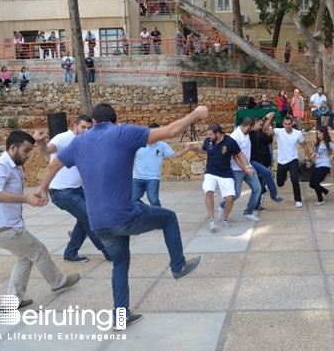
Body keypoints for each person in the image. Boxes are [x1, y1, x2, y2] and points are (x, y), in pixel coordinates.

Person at [35, 103, 208, 328]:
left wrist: (42, 189)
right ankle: (178, 266)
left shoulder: (79, 141)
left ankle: (120, 316)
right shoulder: (123, 132)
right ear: (115, 121)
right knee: (168, 218)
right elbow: (171, 132)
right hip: (124, 215)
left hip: (97, 223)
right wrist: (195, 114)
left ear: (94, 122)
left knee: (120, 263)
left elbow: (51, 166)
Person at [0, 130, 80, 309]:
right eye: (26, 151)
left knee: (25, 258)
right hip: (6, 229)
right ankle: (58, 282)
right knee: (39, 251)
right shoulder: (0, 166)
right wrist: (26, 198)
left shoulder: (10, 165)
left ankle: (12, 301)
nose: (29, 155)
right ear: (13, 147)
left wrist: (31, 196)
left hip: (1, 230)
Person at [33, 115, 111, 262]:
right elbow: (45, 152)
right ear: (75, 126)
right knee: (89, 218)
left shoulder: (88, 141)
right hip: (61, 191)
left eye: (89, 128)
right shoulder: (63, 138)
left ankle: (70, 252)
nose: (86, 130)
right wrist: (40, 143)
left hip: (76, 189)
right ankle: (109, 252)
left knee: (83, 219)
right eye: (83, 127)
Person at [190, 123, 246, 230]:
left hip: (225, 173)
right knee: (209, 191)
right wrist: (193, 148)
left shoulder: (230, 141)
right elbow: (203, 150)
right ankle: (211, 219)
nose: (208, 137)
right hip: (211, 172)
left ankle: (224, 218)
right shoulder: (208, 141)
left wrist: (247, 166)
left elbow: (240, 154)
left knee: (230, 198)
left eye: (211, 135)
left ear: (218, 133)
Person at [216, 117, 262, 223]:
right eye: (251, 127)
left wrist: (248, 167)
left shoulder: (246, 134)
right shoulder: (235, 137)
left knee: (257, 188)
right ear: (248, 126)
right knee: (236, 194)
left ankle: (248, 213)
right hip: (236, 169)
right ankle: (222, 206)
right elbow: (236, 156)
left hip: (248, 166)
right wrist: (245, 169)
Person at [133, 123, 190, 207]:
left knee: (154, 200)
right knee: (133, 200)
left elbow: (173, 155)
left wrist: (185, 150)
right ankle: (148, 211)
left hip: (153, 178)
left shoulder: (162, 145)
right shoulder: (138, 143)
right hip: (137, 177)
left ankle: (159, 217)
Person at [263, 113, 311, 208]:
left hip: (293, 159)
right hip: (282, 161)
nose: (287, 126)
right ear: (283, 123)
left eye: (289, 124)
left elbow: (304, 145)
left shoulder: (298, 134)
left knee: (294, 179)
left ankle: (298, 200)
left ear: (292, 123)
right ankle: (283, 175)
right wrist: (268, 119)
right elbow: (264, 130)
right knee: (280, 183)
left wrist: (308, 158)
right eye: (285, 124)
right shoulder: (278, 131)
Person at [249, 116, 285, 207]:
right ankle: (273, 195)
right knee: (266, 174)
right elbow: (269, 140)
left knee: (260, 184)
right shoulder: (251, 133)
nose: (261, 127)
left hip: (259, 159)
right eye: (260, 125)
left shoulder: (256, 132)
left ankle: (256, 205)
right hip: (256, 160)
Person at [306, 126, 334, 205]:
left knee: (315, 183)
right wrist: (309, 160)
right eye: (317, 134)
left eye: (320, 134)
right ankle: (326, 191)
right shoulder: (317, 142)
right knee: (311, 184)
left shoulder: (329, 143)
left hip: (325, 165)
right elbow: (315, 153)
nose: (318, 135)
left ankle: (320, 200)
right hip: (317, 165)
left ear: (324, 134)